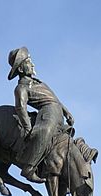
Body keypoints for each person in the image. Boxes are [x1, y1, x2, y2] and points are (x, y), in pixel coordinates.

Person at [8, 47, 74, 183]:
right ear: (21, 69)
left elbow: (54, 98)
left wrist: (66, 111)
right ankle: (29, 167)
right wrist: (27, 127)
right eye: (28, 62)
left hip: (58, 113)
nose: (32, 65)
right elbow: (20, 107)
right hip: (47, 112)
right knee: (45, 130)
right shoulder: (22, 88)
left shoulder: (40, 82)